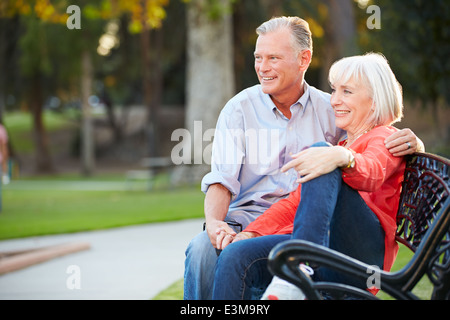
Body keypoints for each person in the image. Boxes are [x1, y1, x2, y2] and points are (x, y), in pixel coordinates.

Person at [184, 16, 423, 300]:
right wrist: (242, 231)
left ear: (304, 59)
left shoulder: (342, 119)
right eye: (258, 57)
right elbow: (232, 183)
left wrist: (343, 154)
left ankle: (299, 267)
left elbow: (373, 167)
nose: (262, 67)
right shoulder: (240, 109)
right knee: (222, 251)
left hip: (346, 245)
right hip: (271, 223)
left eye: (273, 57)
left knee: (322, 153)